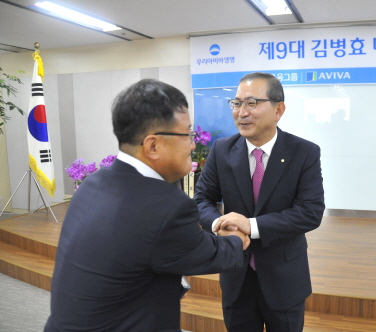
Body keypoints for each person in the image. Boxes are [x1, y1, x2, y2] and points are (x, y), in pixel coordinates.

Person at [44, 79, 250, 332]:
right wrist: (239, 235)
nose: (193, 144)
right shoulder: (164, 206)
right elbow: (210, 252)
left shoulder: (93, 183)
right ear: (153, 145)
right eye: (187, 134)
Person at [194, 72, 325, 331]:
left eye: (252, 103)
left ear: (278, 110)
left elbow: (310, 212)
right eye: (237, 103)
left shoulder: (304, 152)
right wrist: (220, 223)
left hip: (284, 277)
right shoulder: (222, 150)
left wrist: (250, 226)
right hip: (236, 273)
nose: (242, 112)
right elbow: (201, 199)